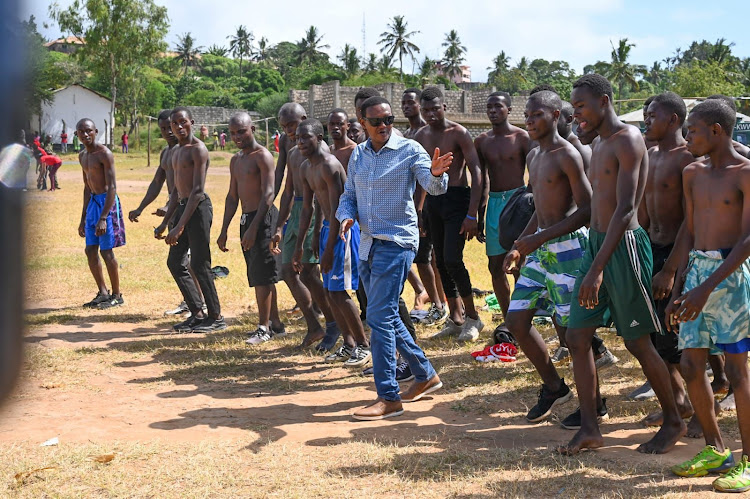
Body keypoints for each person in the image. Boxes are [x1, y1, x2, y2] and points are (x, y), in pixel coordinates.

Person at [559, 74, 686, 455]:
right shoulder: (598, 142)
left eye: (581, 107)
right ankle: (590, 427)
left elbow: (627, 209)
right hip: (598, 246)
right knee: (576, 336)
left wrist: (597, 270)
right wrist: (594, 261)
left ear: (604, 101)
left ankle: (674, 418)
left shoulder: (628, 140)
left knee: (637, 341)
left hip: (624, 248)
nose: (576, 114)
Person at [337, 95, 452, 420]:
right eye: (377, 121)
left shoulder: (409, 149)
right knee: (382, 315)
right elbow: (349, 196)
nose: (385, 126)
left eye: (389, 119)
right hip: (368, 245)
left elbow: (434, 186)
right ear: (362, 122)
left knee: (379, 317)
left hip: (397, 243)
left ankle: (388, 396)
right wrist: (345, 216)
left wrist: (437, 174)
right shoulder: (359, 154)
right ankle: (425, 374)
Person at [667, 99, 750, 492]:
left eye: (693, 131)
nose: (687, 139)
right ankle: (716, 449)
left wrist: (706, 287)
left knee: (736, 372)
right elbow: (689, 229)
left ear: (716, 131)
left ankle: (748, 461)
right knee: (690, 363)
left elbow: (748, 239)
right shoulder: (692, 173)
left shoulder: (745, 173)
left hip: (731, 277)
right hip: (697, 272)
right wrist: (680, 284)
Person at [502, 91, 592, 423]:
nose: (529, 120)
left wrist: (538, 238)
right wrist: (520, 243)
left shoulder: (567, 154)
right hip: (540, 248)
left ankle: (593, 404)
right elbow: (540, 209)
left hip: (568, 248)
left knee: (573, 334)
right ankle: (554, 386)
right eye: (526, 115)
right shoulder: (535, 155)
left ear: (555, 115)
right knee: (516, 321)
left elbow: (587, 209)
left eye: (536, 114)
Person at [637, 92, 697, 429]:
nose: (647, 121)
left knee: (682, 337)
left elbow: (691, 221)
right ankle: (678, 402)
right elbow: (644, 210)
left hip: (681, 254)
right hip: (653, 250)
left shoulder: (688, 159)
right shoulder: (649, 154)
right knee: (657, 333)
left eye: (652, 116)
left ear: (673, 120)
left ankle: (704, 408)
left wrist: (671, 269)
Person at [294, 118, 370, 367]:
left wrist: (329, 250)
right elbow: (309, 208)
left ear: (319, 138)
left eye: (306, 137)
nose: (301, 142)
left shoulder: (329, 165)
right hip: (327, 229)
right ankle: (348, 344)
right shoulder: (306, 167)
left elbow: (340, 209)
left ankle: (362, 345)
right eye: (298, 138)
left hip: (343, 231)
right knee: (329, 291)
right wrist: (304, 242)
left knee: (339, 291)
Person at [416, 86, 484, 341]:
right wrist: (419, 208)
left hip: (457, 199)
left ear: (444, 107)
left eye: (435, 108)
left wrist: (472, 213)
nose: (431, 114)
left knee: (453, 259)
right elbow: (420, 175)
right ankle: (455, 318)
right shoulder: (420, 135)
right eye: (426, 110)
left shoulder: (459, 133)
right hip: (433, 200)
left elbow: (476, 172)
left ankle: (473, 318)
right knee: (440, 261)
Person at [271, 103, 339, 349]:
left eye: (292, 124)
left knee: (309, 272)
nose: (288, 130)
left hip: (314, 212)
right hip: (299, 211)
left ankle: (333, 324)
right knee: (289, 271)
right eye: (284, 126)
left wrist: (318, 227)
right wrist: (279, 226)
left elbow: (321, 196)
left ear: (304, 119)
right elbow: (289, 191)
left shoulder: (321, 151)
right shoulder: (291, 150)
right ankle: (315, 326)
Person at [154, 107, 225, 333]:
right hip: (183, 208)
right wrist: (166, 223)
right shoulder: (176, 152)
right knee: (175, 262)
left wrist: (179, 227)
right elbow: (176, 192)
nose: (179, 127)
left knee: (199, 263)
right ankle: (197, 313)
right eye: (175, 124)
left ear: (191, 122)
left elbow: (196, 191)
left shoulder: (198, 150)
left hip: (199, 208)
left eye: (183, 122)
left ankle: (216, 317)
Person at [128, 109, 205, 317]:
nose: (168, 132)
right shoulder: (166, 153)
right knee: (181, 260)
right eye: (164, 128)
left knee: (188, 260)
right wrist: (141, 207)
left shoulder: (191, 149)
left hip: (186, 208)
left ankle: (199, 304)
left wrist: (169, 208)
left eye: (170, 126)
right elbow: (157, 183)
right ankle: (191, 302)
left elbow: (191, 189)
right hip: (174, 209)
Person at [218, 112, 283, 343]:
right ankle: (275, 323)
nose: (237, 137)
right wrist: (224, 229)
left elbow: (268, 194)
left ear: (252, 129)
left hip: (263, 220)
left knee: (263, 277)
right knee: (260, 274)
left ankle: (263, 328)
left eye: (242, 131)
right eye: (233, 132)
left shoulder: (262, 156)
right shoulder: (236, 160)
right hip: (247, 220)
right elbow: (232, 196)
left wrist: (255, 228)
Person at [474, 91, 531, 321]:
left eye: (498, 107)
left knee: (520, 264)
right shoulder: (482, 141)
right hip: (495, 204)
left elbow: (534, 175)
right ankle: (508, 318)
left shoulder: (522, 137)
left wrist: (530, 203)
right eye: (489, 107)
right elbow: (481, 180)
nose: (493, 111)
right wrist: (479, 215)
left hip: (518, 201)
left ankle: (522, 317)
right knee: (495, 265)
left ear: (509, 109)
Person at [403, 87, 447, 324]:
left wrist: (419, 207)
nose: (408, 107)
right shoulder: (409, 133)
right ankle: (436, 302)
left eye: (412, 102)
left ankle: (441, 303)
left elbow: (427, 174)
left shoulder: (427, 132)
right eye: (404, 103)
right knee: (423, 258)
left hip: (431, 198)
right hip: (414, 200)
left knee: (432, 257)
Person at [76, 118, 126, 309]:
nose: (85, 134)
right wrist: (83, 218)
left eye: (88, 131)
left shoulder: (104, 154)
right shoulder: (82, 156)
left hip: (108, 203)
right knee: (90, 250)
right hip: (93, 204)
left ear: (96, 131)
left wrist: (104, 217)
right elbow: (87, 187)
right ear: (77, 135)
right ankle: (103, 293)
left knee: (106, 251)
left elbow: (112, 186)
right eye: (81, 132)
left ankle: (117, 295)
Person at [327, 108, 357, 172]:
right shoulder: (328, 151)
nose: (335, 127)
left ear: (348, 126)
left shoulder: (355, 150)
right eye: (332, 124)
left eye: (340, 124)